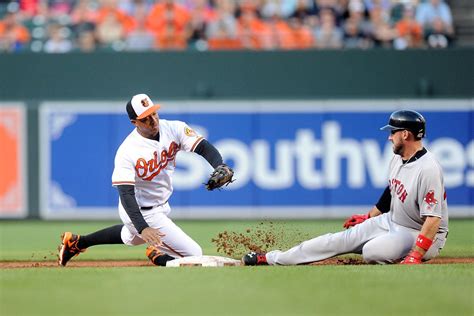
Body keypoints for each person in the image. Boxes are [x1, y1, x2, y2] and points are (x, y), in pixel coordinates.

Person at [243, 110, 448, 265]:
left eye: (393, 132)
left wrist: (416, 254)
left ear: (405, 134)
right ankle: (271, 258)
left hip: (419, 232)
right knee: (337, 240)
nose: (389, 137)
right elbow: (391, 193)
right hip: (391, 221)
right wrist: (369, 217)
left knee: (372, 252)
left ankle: (396, 249)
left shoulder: (428, 168)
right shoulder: (399, 159)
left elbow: (433, 218)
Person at [59, 93, 233, 267]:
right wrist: (143, 227)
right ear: (134, 122)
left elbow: (203, 147)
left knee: (131, 237)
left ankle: (77, 243)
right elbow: (126, 193)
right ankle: (159, 255)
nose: (153, 120)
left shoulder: (174, 128)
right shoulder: (127, 151)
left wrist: (220, 165)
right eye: (145, 118)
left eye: (153, 113)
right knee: (194, 254)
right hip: (140, 211)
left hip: (159, 204)